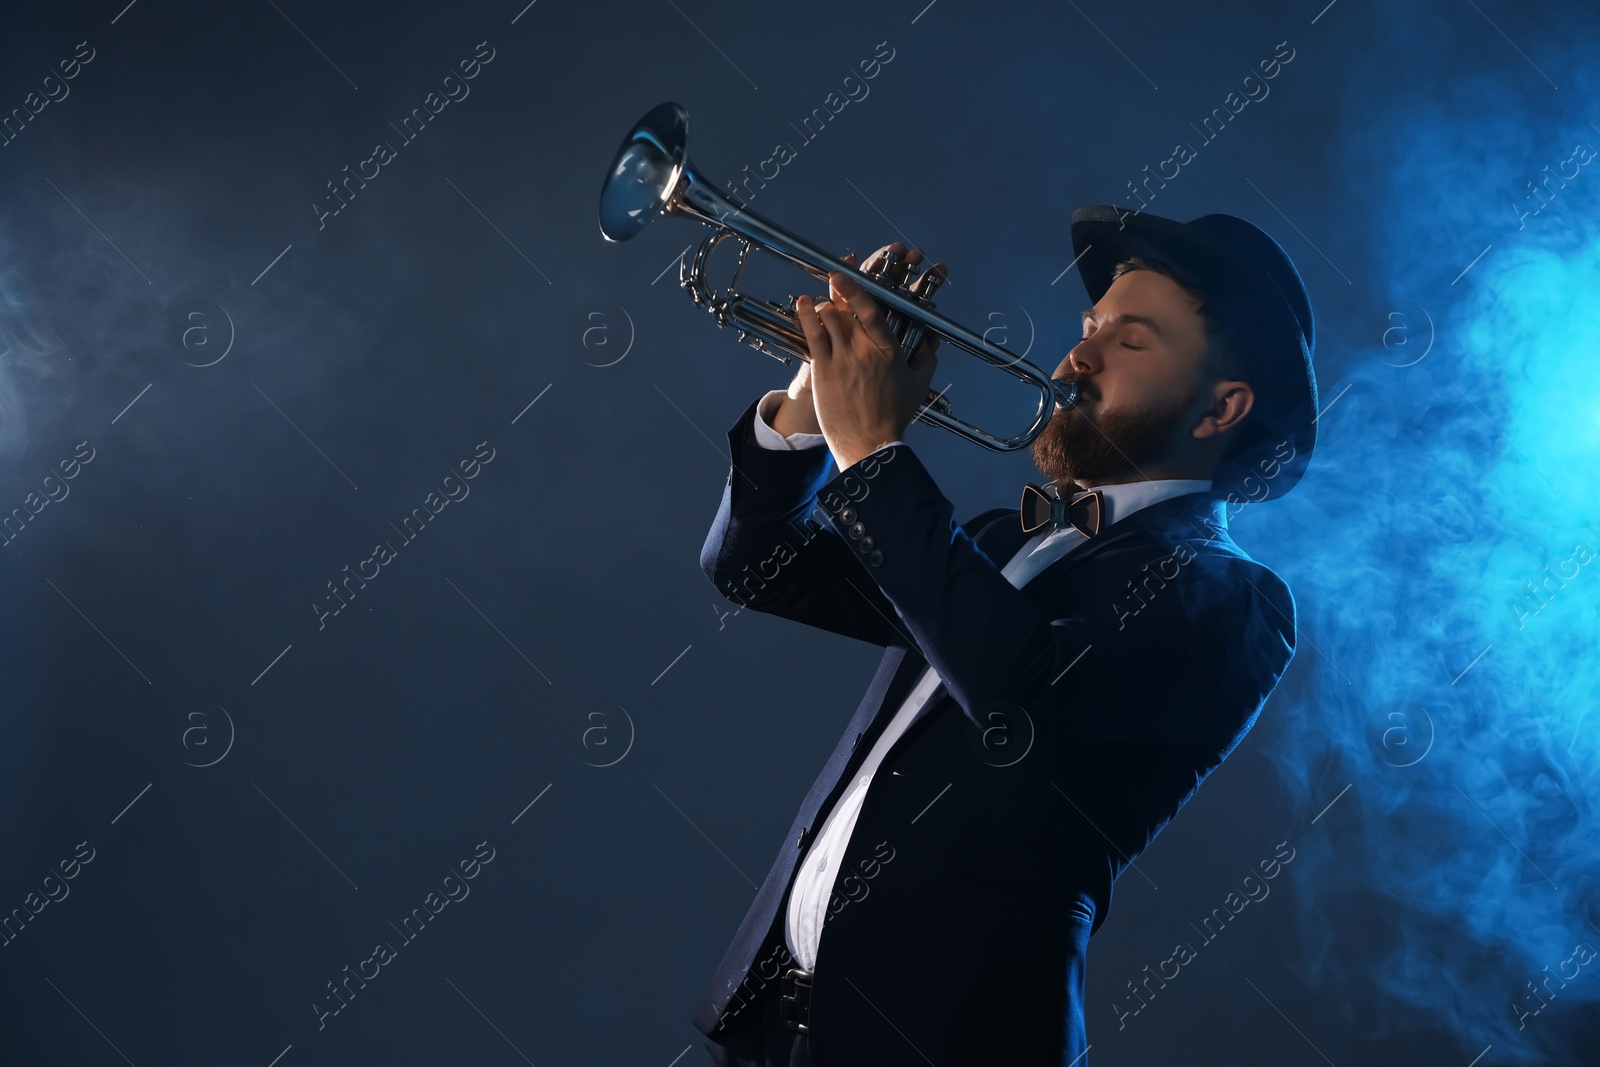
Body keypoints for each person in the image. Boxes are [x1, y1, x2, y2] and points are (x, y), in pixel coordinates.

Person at [692, 204, 1319, 1066]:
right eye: (1089, 326)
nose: (1078, 357)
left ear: (1221, 409)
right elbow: (751, 564)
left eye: (1131, 341)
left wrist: (871, 447)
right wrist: (813, 397)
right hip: (776, 1032)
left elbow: (1016, 691)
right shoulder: (995, 544)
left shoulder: (1233, 600)